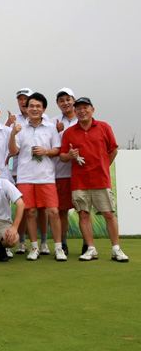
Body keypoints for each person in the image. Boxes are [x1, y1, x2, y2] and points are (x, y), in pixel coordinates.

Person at [60, 97, 128, 262]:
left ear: (92, 110)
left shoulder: (104, 127)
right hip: (79, 181)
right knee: (83, 214)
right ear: (75, 111)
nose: (82, 111)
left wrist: (103, 166)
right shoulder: (69, 132)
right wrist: (70, 155)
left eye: (85, 107)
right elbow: (62, 156)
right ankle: (91, 249)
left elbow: (113, 150)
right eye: (78, 108)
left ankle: (116, 249)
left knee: (108, 213)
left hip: (101, 180)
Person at [8, 92, 66, 261]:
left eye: (38, 106)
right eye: (31, 106)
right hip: (25, 177)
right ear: (26, 108)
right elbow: (13, 151)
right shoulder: (20, 127)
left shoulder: (51, 127)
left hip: (46, 177)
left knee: (53, 211)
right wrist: (12, 134)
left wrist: (46, 151)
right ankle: (34, 247)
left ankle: (58, 248)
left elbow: (57, 150)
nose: (34, 109)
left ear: (44, 109)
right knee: (30, 212)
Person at [51, 88, 78, 255]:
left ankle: (88, 245)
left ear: (74, 100)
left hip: (80, 173)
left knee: (84, 211)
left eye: (68, 99)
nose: (65, 103)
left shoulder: (83, 118)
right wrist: (55, 131)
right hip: (61, 172)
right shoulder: (53, 122)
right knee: (62, 210)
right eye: (61, 100)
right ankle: (63, 243)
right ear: (57, 103)